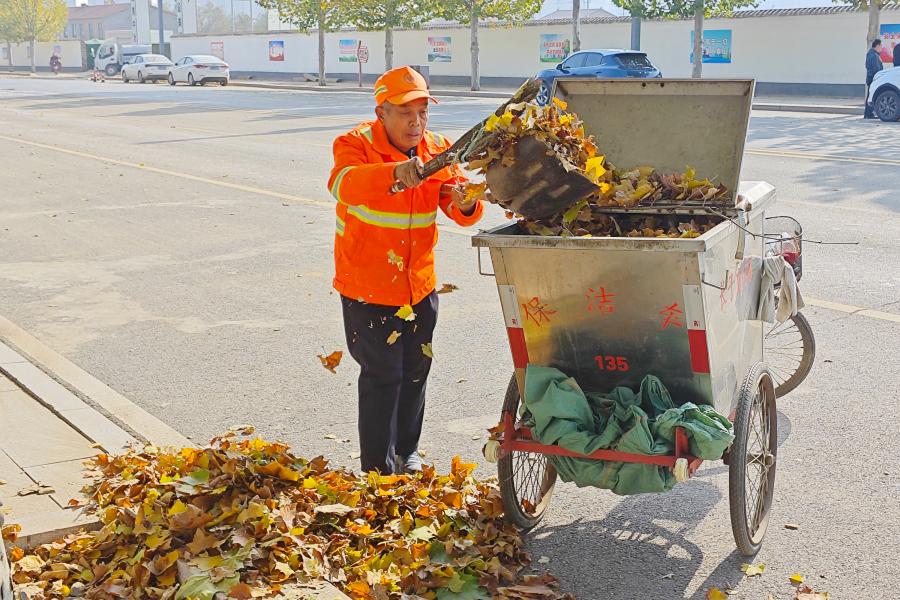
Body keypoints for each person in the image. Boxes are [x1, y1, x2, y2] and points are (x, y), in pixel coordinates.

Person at [327, 66, 485, 475]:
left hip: (418, 285)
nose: (416, 123)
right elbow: (343, 184)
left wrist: (467, 201)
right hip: (369, 285)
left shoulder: (437, 148)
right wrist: (394, 173)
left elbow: (457, 207)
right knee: (383, 375)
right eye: (405, 113)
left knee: (416, 369)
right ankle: (378, 469)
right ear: (381, 113)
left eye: (422, 113)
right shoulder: (355, 144)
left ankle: (406, 452)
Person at [865, 38, 884, 119]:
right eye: (881, 46)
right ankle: (868, 114)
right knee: (871, 96)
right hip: (874, 78)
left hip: (872, 78)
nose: (881, 48)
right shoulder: (874, 55)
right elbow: (875, 68)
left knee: (870, 95)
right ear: (877, 45)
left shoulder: (871, 54)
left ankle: (868, 114)